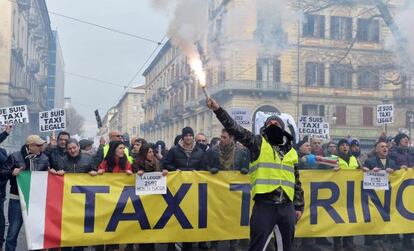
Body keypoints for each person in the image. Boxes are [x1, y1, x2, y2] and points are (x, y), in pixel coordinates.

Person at [207, 98, 304, 251]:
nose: (273, 126)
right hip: (265, 206)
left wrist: (299, 206)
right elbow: (235, 129)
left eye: (276, 125)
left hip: (286, 206)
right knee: (257, 246)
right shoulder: (257, 143)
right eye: (269, 124)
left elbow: (296, 181)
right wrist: (218, 110)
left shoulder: (291, 151)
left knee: (287, 247)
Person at [2, 135, 49, 251]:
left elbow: (48, 176)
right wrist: (11, 172)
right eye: (39, 145)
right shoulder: (14, 157)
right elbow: (2, 172)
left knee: (36, 234)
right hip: (17, 199)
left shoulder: (45, 159)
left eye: (41, 144)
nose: (41, 147)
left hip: (35, 202)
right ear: (31, 146)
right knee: (13, 232)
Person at [163, 127, 206, 251]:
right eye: (186, 135)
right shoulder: (174, 150)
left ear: (193, 137)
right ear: (182, 137)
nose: (188, 138)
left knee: (189, 219)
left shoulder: (200, 151)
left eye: (190, 135)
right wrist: (174, 170)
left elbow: (203, 168)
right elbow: (166, 164)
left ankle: (188, 247)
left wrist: (197, 173)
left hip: (193, 191)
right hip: (176, 189)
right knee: (173, 219)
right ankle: (171, 247)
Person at [206, 129, 249, 251]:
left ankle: (233, 243)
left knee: (233, 217)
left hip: (234, 190)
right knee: (217, 216)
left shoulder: (241, 152)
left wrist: (244, 170)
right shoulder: (213, 151)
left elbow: (246, 166)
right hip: (218, 190)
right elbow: (205, 165)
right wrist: (211, 169)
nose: (221, 139)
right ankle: (214, 243)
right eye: (221, 137)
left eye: (224, 137)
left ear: (231, 138)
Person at [91, 141, 133, 251]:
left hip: (119, 202)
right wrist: (98, 173)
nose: (123, 150)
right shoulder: (105, 163)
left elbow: (131, 179)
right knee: (102, 227)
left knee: (115, 229)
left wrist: (130, 174)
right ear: (114, 149)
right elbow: (97, 180)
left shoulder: (126, 163)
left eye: (123, 148)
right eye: (120, 148)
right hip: (105, 201)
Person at [363, 141, 399, 251]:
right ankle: (375, 241)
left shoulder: (392, 162)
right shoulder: (369, 161)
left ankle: (386, 241)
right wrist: (369, 171)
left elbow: (398, 176)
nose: (385, 148)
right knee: (375, 218)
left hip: (388, 195)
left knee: (387, 217)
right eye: (382, 146)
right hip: (374, 196)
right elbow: (362, 175)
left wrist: (394, 172)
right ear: (377, 149)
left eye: (386, 146)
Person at [134, 143, 168, 251]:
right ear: (144, 153)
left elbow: (162, 176)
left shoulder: (158, 163)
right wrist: (137, 173)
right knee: (143, 226)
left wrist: (164, 172)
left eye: (152, 152)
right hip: (141, 201)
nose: (152, 154)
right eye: (149, 152)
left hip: (155, 200)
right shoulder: (137, 164)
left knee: (153, 224)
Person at [333, 139, 359, 251]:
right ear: (339, 147)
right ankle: (337, 243)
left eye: (346, 145)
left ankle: (349, 242)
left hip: (351, 193)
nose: (345, 147)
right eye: (342, 145)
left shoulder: (354, 159)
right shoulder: (334, 159)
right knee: (337, 220)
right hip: (338, 194)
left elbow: (358, 171)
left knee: (351, 218)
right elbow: (324, 171)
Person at [0, 124, 11, 249]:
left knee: (1, 220)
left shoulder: (3, 152)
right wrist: (5, 134)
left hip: (0, 191)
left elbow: (7, 167)